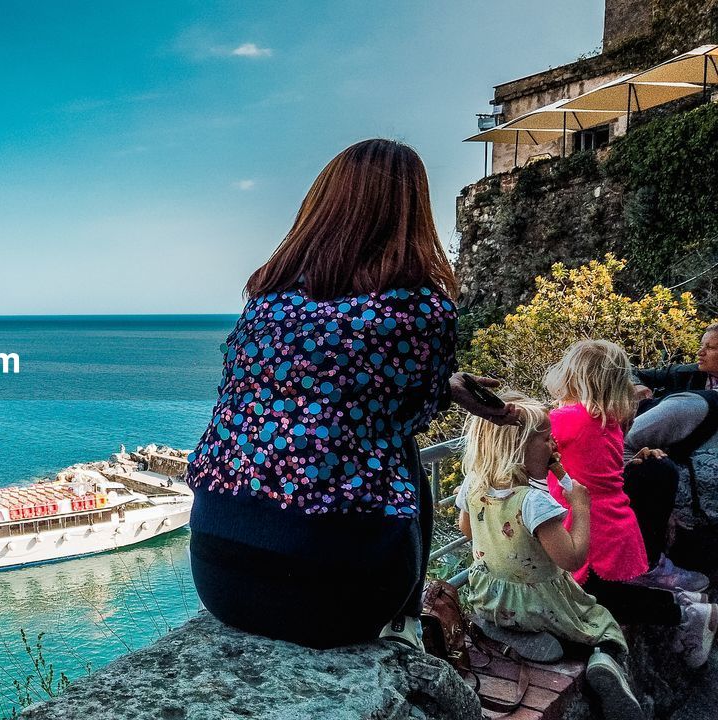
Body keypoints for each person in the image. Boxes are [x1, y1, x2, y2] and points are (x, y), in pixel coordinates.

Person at [184, 138, 515, 650]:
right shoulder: (421, 310)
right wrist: (444, 388)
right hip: (336, 597)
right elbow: (408, 412)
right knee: (395, 444)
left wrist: (437, 386)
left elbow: (318, 376)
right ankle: (405, 621)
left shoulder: (265, 303)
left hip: (218, 576)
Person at [455, 393, 643, 717]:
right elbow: (572, 559)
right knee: (601, 623)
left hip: (490, 596)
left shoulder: (473, 484)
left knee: (547, 636)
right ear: (518, 449)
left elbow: (467, 529)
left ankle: (502, 629)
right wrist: (582, 509)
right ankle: (604, 658)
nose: (553, 444)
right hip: (539, 603)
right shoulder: (532, 502)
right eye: (545, 438)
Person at [544, 340, 715, 664]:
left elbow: (530, 436)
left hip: (590, 525)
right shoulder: (609, 418)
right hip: (612, 521)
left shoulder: (569, 417)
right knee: (599, 593)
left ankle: (688, 613)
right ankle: (683, 602)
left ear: (575, 376)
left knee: (597, 597)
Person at [625, 389, 718, 575]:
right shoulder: (692, 408)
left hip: (707, 530)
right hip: (668, 534)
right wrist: (660, 510)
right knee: (657, 467)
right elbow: (620, 443)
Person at [633, 322, 718, 397]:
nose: (700, 352)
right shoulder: (683, 373)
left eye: (710, 347)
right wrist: (636, 385)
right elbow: (629, 372)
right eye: (701, 346)